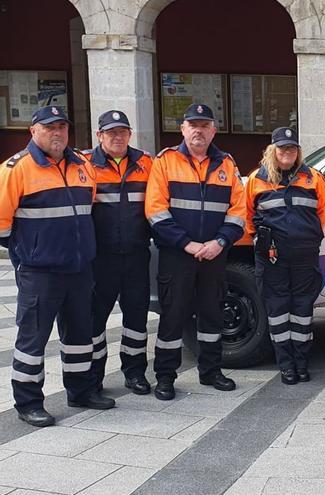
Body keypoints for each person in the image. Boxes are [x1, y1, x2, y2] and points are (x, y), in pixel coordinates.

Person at [0, 106, 115, 426]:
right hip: (41, 272)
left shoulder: (81, 165)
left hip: (79, 269)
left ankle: (81, 391)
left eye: (62, 127)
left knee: (79, 335)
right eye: (50, 127)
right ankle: (28, 402)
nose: (57, 133)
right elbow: (1, 225)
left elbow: (88, 209)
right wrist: (27, 251)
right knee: (32, 340)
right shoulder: (16, 169)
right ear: (33, 131)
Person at [145, 103, 246, 400]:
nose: (199, 130)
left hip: (215, 254)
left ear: (213, 130)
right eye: (193, 125)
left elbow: (238, 212)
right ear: (183, 129)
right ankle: (165, 376)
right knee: (173, 316)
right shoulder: (165, 161)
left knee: (212, 313)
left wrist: (220, 243)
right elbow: (155, 210)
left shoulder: (227, 164)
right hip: (178, 255)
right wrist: (187, 244)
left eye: (204, 125)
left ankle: (211, 370)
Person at [245, 127, 325, 384]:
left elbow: (323, 212)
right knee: (278, 311)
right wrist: (259, 238)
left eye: (292, 148)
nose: (287, 152)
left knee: (303, 310)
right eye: (282, 148)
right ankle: (286, 366)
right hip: (272, 258)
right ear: (273, 150)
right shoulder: (256, 179)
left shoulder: (312, 178)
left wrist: (308, 237)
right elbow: (248, 216)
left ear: (298, 151)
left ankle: (302, 363)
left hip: (304, 255)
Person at [82, 110, 153, 395]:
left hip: (137, 254)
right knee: (94, 319)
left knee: (136, 318)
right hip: (101, 258)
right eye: (111, 132)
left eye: (122, 131)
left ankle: (135, 373)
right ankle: (94, 377)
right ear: (99, 136)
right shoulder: (85, 164)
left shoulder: (146, 162)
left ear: (129, 135)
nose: (117, 137)